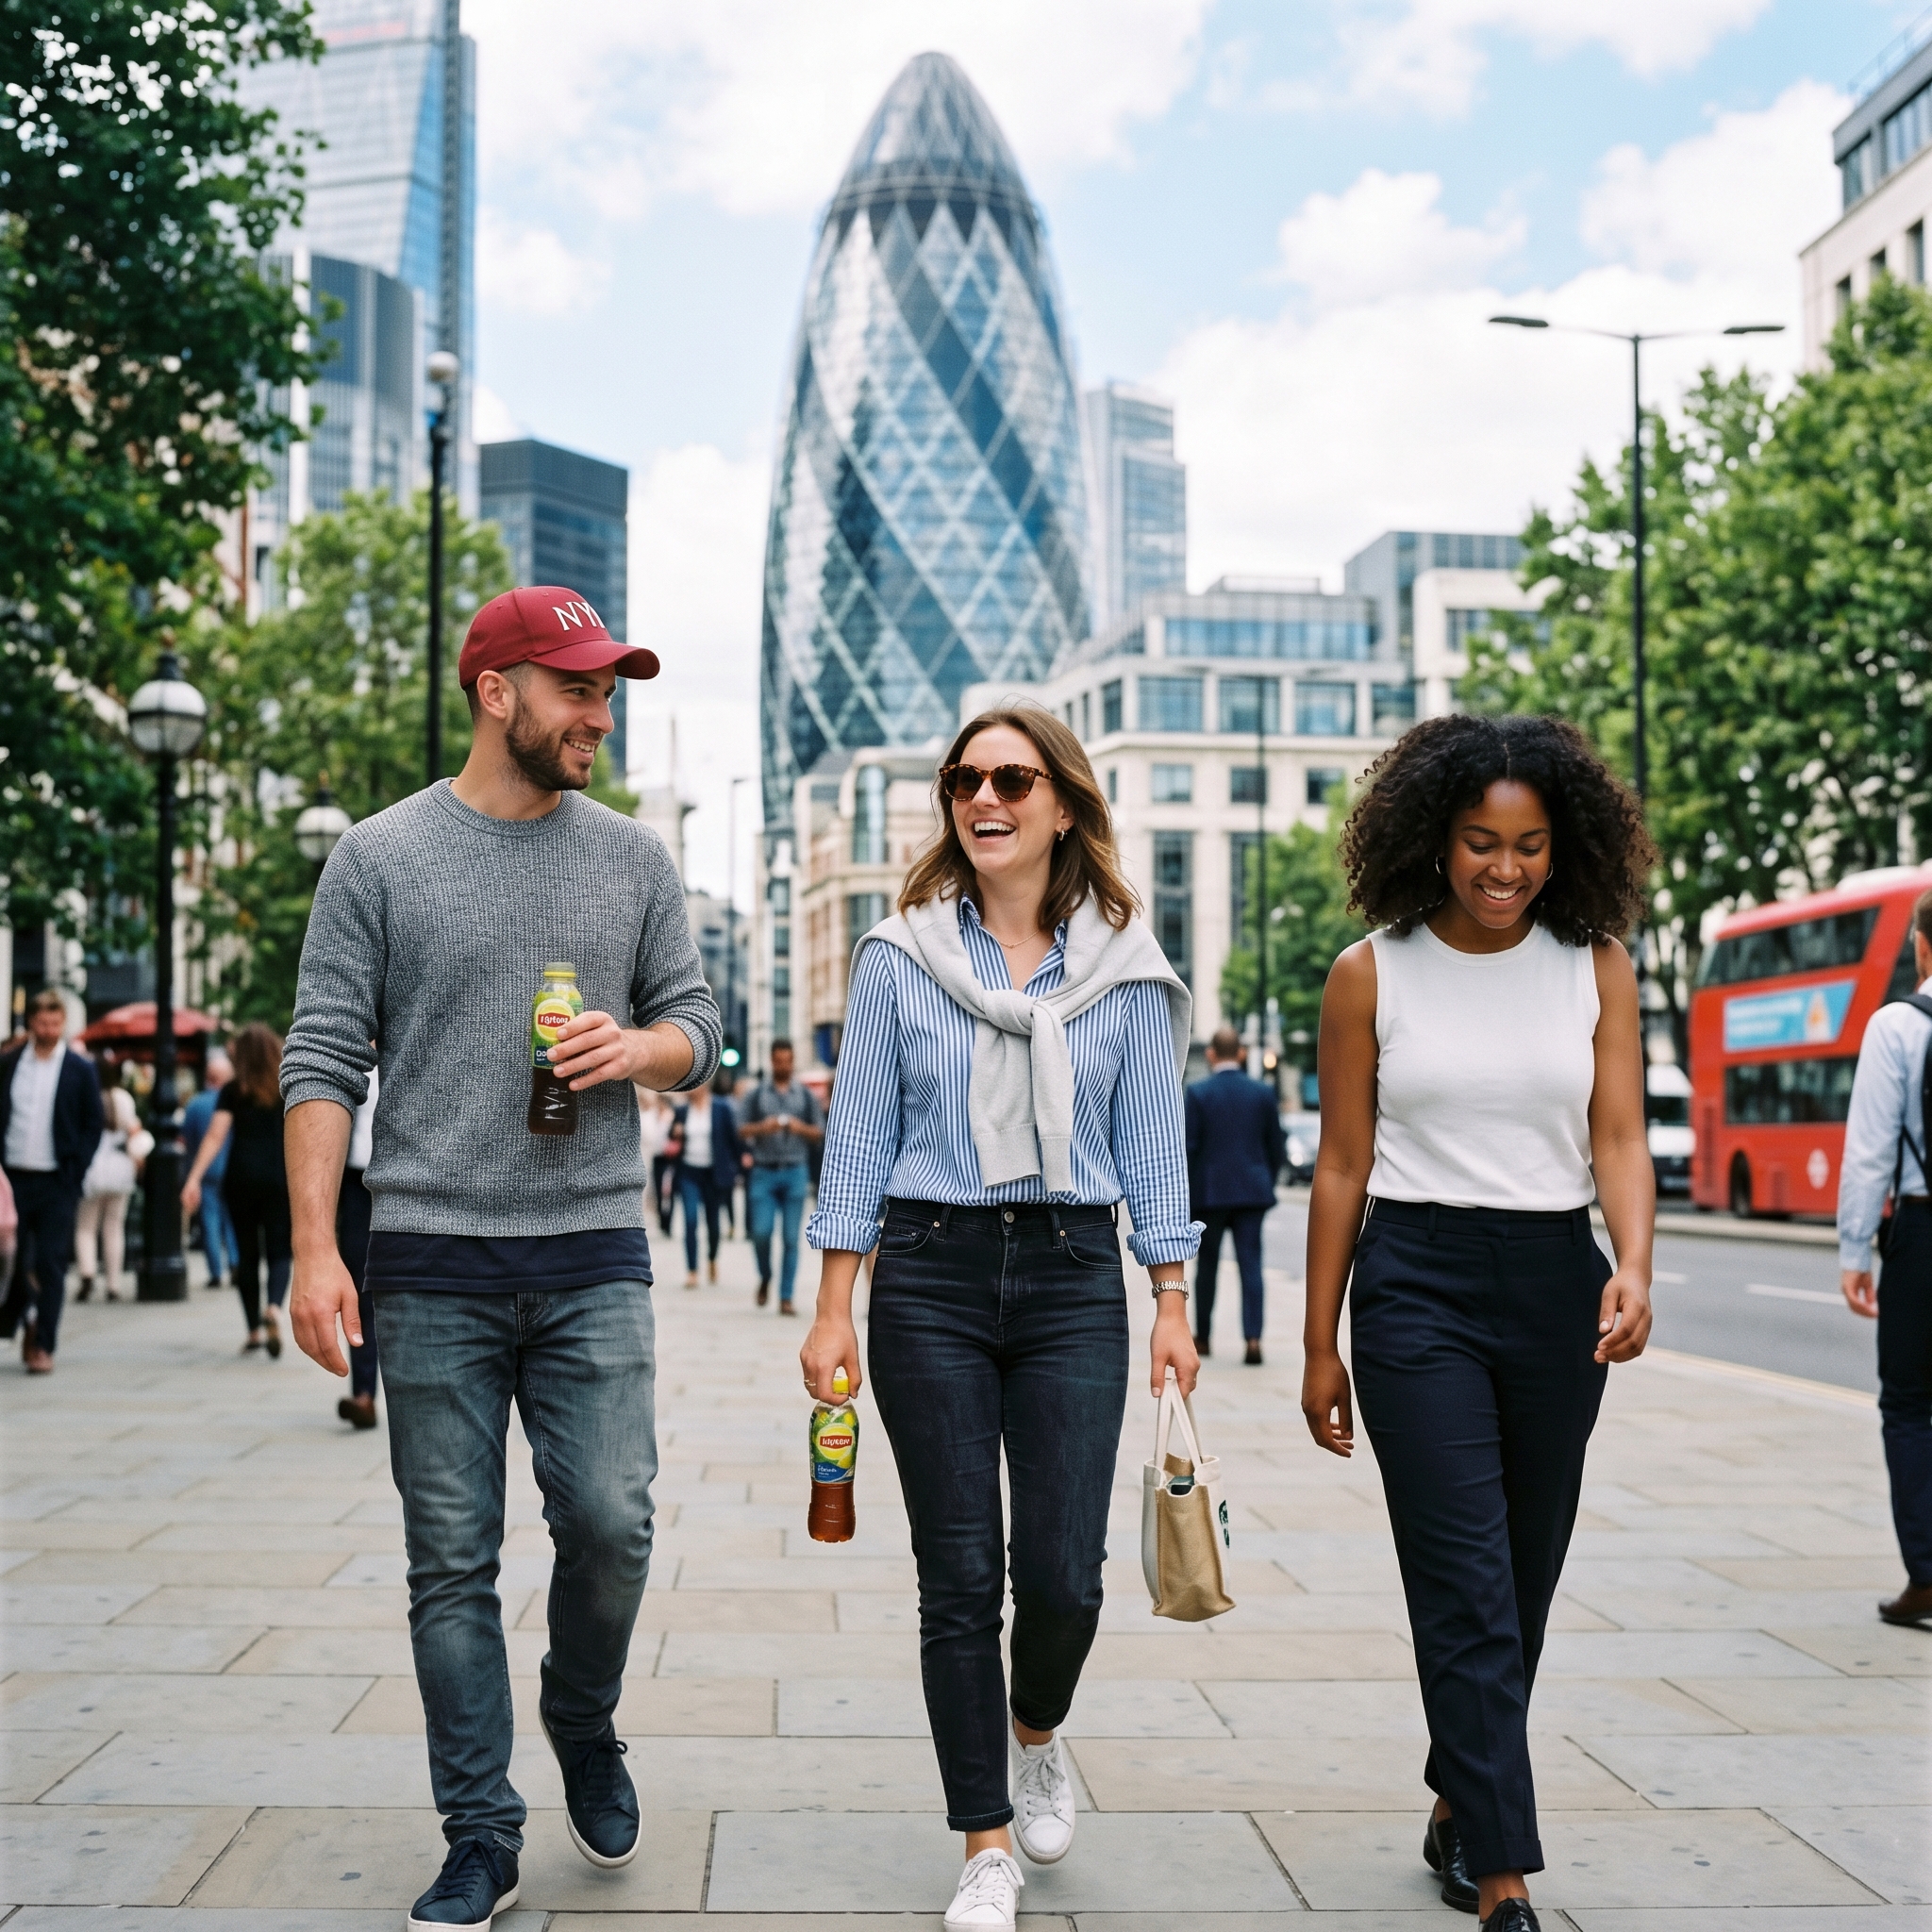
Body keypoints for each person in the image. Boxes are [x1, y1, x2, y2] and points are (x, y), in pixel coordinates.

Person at [279, 584, 720, 1932]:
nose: (599, 713)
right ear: (497, 692)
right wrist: (313, 1247)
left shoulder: (633, 861)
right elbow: (321, 1057)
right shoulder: (378, 858)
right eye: (577, 688)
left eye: (608, 691)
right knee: (449, 1561)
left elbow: (700, 1027)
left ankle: (581, 1714)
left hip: (591, 1249)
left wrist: (641, 1052)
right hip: (430, 1259)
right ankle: (480, 1830)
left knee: (611, 1522)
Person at [802, 706, 1200, 1932]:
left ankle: (1037, 1732)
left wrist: (1172, 1295)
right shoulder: (898, 956)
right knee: (960, 1577)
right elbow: (859, 1139)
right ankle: (983, 1840)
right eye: (964, 780)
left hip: (1079, 1273)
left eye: (1013, 780)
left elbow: (1151, 1146)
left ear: (1065, 803)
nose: (985, 799)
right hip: (930, 1268)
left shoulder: (1125, 966)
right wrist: (833, 1312)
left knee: (1067, 1578)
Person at [1302, 714, 1655, 1932]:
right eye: (1479, 844)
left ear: (1566, 848)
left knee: (1525, 1575)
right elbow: (1342, 1166)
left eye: (1529, 846)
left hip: (1556, 1279)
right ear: (1433, 840)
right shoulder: (1371, 973)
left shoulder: (1594, 965)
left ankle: (1462, 1797)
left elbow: (1618, 1137)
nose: (1505, 870)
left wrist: (1635, 1266)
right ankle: (1503, 1877)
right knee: (1463, 1581)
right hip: (1415, 1286)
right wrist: (1316, 1344)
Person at [1837, 885, 1932, 1628]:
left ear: (1921, 948)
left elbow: (1870, 1152)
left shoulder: (1899, 1025)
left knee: (1908, 1404)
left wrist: (1854, 1250)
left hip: (1923, 1235)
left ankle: (1927, 1576)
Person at [0, 989, 104, 1373]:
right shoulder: (9, 1063)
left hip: (57, 1181)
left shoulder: (80, 1069)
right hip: (11, 1180)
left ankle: (43, 1343)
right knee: (12, 1261)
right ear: (30, 1023)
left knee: (50, 1261)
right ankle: (20, 1318)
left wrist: (76, 1171)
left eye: (56, 1023)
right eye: (42, 1023)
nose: (49, 1029)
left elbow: (93, 1123)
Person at [183, 1024, 292, 1357]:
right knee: (279, 1251)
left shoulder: (233, 1090)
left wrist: (193, 1178)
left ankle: (254, 1331)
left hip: (240, 1179)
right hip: (278, 1178)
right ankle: (273, 1307)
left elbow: (216, 1136)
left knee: (246, 1255)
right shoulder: (284, 1088)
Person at [1185, 1024, 1288, 1364]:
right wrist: (1266, 1180)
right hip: (1251, 1192)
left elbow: (1189, 1148)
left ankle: (1203, 1337)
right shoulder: (1261, 1093)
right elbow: (1276, 1145)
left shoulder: (1198, 1093)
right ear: (1241, 1054)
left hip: (1209, 1193)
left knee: (1208, 1266)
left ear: (1211, 1055)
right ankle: (1254, 1340)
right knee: (1251, 1266)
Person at [741, 1039, 823, 1312]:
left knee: (791, 1238)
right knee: (761, 1233)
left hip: (794, 1171)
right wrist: (763, 1128)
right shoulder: (756, 1094)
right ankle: (765, 1276)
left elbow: (819, 1133)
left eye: (787, 1060)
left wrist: (799, 1128)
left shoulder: (805, 1096)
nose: (783, 1065)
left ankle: (786, 1296)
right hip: (764, 1170)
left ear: (793, 1060)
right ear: (771, 1060)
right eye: (778, 1060)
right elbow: (741, 1129)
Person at [75, 1060, 148, 1303]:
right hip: (119, 1167)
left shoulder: (87, 1094)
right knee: (114, 1227)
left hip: (93, 1167)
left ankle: (87, 1271)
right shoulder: (124, 1098)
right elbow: (134, 1130)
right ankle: (113, 1283)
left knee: (86, 1227)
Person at [335, 1067, 381, 1429]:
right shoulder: (354, 1062)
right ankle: (364, 1394)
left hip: (406, 1185)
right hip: (355, 1187)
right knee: (360, 1288)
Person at [668, 1076, 739, 1288]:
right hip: (689, 1171)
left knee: (713, 1223)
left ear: (705, 1085)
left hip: (713, 1173)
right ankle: (692, 1270)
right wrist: (676, 1132)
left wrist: (739, 1164)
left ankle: (711, 1259)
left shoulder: (720, 1108)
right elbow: (672, 1134)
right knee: (690, 1220)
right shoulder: (682, 1111)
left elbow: (731, 1139)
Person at [182, 1051, 239, 1290]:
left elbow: (186, 1139)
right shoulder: (235, 1100)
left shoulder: (196, 1104)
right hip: (232, 1167)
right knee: (233, 1219)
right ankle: (236, 1262)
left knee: (210, 1220)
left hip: (206, 1170)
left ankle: (216, 1271)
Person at [638, 1087, 677, 1236]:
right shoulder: (643, 1115)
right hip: (646, 1155)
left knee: (664, 1189)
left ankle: (664, 1220)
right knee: (649, 1188)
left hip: (663, 1156)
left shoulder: (664, 1114)